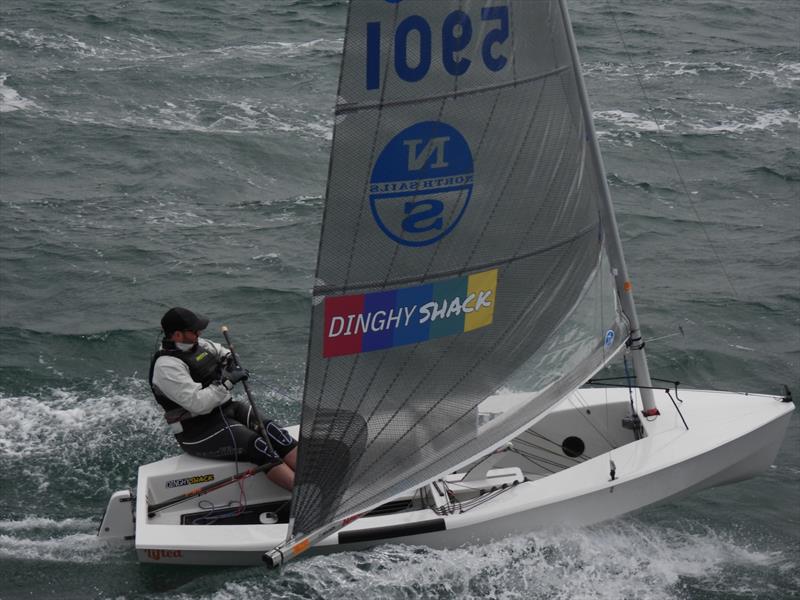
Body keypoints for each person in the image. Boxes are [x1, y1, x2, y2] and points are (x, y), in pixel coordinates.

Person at [149, 307, 297, 490]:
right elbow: (198, 404)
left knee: (276, 433)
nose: (199, 332)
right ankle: (305, 498)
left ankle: (317, 481)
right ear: (177, 335)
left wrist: (231, 359)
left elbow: (222, 351)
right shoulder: (166, 367)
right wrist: (227, 383)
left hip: (227, 409)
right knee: (259, 446)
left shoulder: (199, 343)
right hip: (197, 430)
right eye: (194, 330)